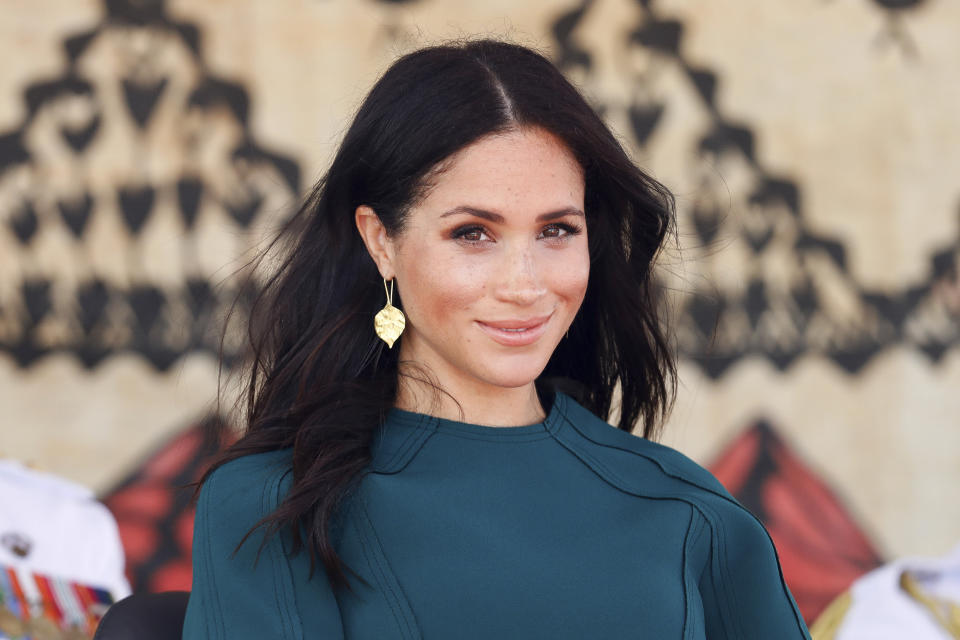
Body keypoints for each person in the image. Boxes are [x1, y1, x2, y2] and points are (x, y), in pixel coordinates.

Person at [181, 38, 811, 639]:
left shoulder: (690, 512)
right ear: (382, 242)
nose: (524, 284)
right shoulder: (272, 506)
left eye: (557, 230)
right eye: (473, 234)